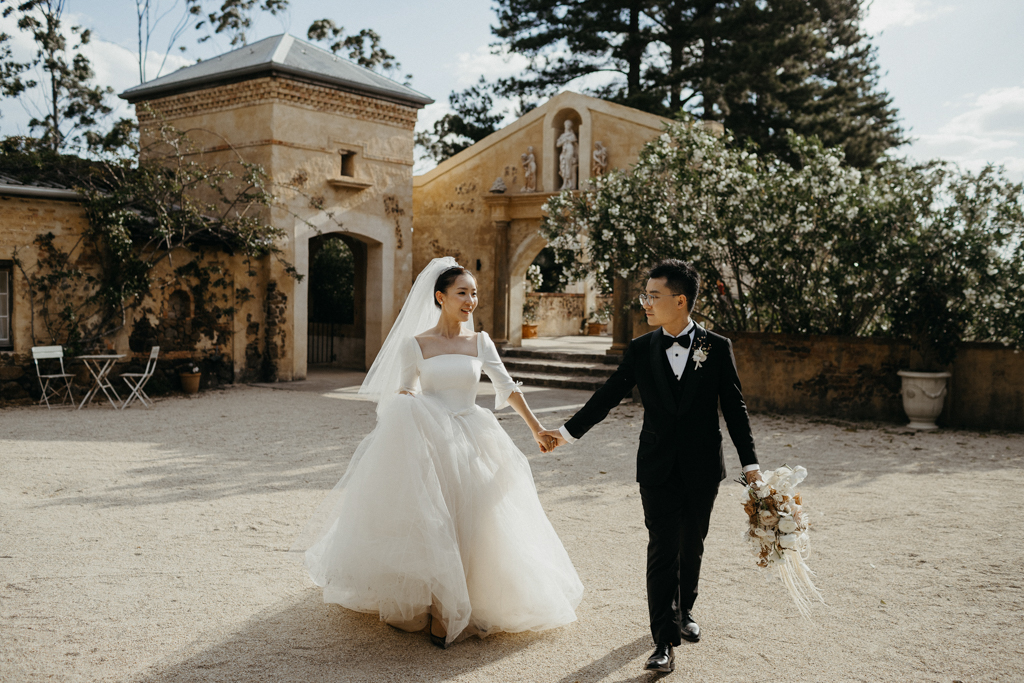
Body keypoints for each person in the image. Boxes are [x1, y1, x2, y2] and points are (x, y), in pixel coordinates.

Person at [300, 257, 583, 648]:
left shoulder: (480, 342)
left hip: (473, 434)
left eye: (474, 293)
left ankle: (466, 604)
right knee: (433, 518)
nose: (471, 300)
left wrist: (537, 428)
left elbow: (507, 388)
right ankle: (437, 606)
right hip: (430, 437)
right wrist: (409, 410)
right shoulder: (415, 345)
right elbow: (405, 390)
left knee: (477, 517)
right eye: (462, 293)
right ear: (440, 297)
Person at [540, 259, 761, 674]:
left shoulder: (717, 347)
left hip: (701, 468)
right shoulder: (641, 349)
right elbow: (608, 395)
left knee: (691, 544)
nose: (645, 303)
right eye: (644, 296)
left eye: (653, 297)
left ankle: (685, 610)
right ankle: (663, 640)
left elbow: (735, 409)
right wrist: (566, 433)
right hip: (656, 465)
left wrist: (751, 465)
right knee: (662, 546)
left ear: (680, 301)